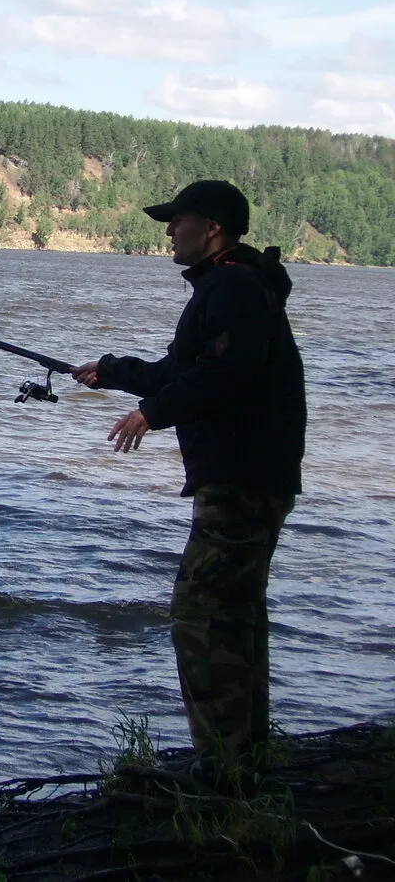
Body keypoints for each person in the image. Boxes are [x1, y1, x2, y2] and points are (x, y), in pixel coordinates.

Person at [72, 180, 306, 789]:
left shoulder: (230, 288)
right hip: (253, 475)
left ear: (213, 229)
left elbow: (227, 374)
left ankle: (222, 771)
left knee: (200, 614)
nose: (169, 230)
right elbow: (187, 369)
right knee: (235, 612)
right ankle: (243, 758)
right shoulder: (232, 286)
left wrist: (153, 412)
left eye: (178, 221)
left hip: (241, 477)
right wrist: (116, 372)